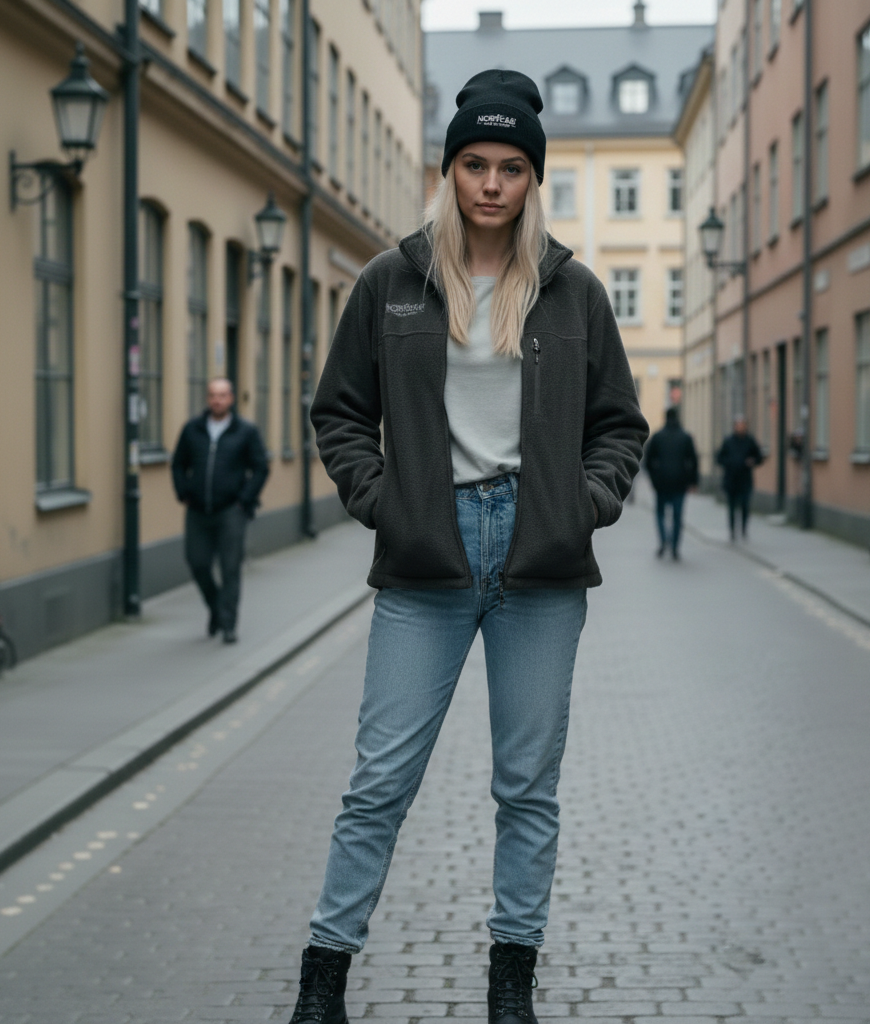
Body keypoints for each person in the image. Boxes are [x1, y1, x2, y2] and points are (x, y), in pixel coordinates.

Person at [285, 70, 648, 1024]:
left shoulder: (572, 293)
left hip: (540, 563)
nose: (491, 182)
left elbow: (620, 425)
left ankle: (510, 985)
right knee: (379, 782)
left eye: (512, 167)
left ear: (534, 179)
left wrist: (583, 504)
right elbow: (340, 414)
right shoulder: (389, 282)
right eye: (475, 164)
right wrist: (387, 504)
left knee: (527, 787)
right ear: (449, 171)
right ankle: (323, 982)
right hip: (427, 560)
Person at [170, 377, 268, 643]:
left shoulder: (245, 431)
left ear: (232, 399)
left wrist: (244, 499)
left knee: (230, 568)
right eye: (213, 395)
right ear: (207, 399)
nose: (217, 400)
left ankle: (228, 625)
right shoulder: (192, 429)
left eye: (223, 395)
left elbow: (261, 467)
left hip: (231, 511)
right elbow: (178, 464)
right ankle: (215, 608)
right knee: (197, 563)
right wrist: (183, 493)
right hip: (198, 511)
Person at [643, 407, 699, 559]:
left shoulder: (658, 437)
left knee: (660, 514)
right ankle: (674, 547)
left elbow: (647, 460)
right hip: (680, 483)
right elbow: (693, 460)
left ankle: (663, 542)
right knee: (677, 516)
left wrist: (653, 478)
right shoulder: (686, 437)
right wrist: (693, 481)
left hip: (661, 483)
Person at [716, 414, 763, 541]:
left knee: (745, 505)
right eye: (738, 425)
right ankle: (732, 530)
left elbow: (759, 456)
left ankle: (743, 529)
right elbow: (719, 458)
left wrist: (753, 461)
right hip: (731, 479)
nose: (740, 427)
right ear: (735, 426)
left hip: (745, 479)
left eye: (742, 425)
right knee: (731, 507)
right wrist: (729, 462)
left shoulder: (750, 440)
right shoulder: (728, 441)